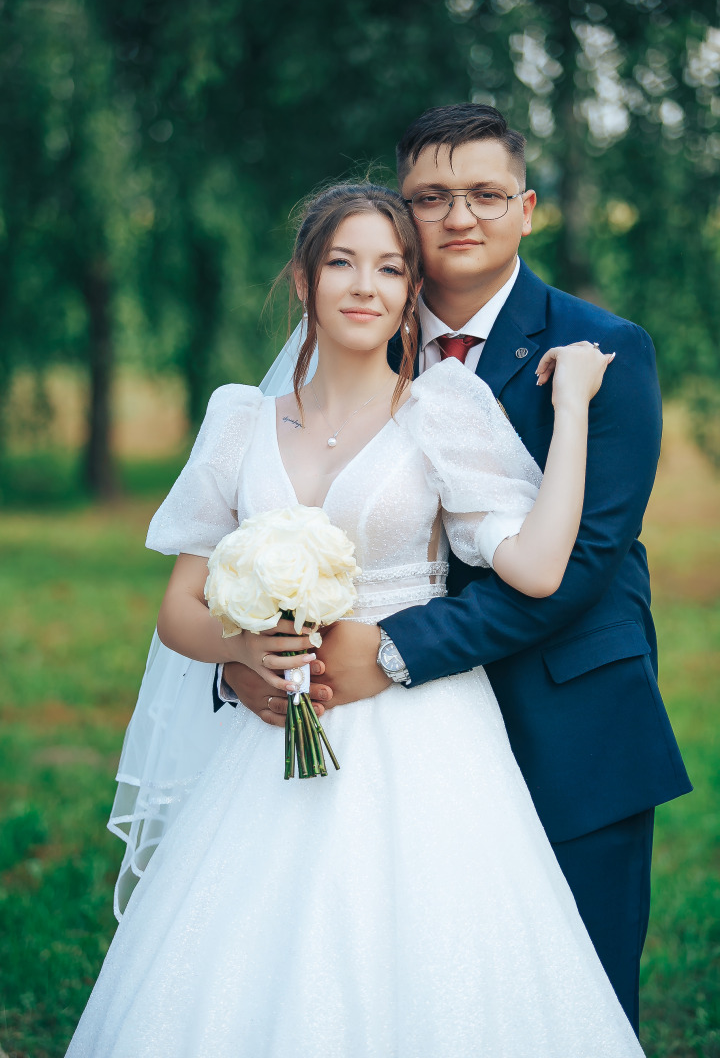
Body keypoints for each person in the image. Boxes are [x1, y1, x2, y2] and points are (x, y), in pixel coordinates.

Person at [66, 181, 644, 1057]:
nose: (365, 286)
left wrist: (569, 415)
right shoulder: (238, 422)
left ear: (412, 290)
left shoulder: (442, 409)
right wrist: (244, 645)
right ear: (304, 280)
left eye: (390, 267)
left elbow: (535, 565)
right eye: (342, 262)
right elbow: (179, 611)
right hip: (275, 742)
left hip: (424, 735)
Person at [222, 105, 692, 1034]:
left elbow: (588, 563)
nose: (459, 217)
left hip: (568, 724)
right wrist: (248, 657)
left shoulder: (602, 349)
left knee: (569, 1007)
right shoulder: (357, 340)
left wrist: (390, 653)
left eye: (484, 194)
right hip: (389, 751)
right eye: (431, 197)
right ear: (401, 215)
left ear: (525, 209)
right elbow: (271, 516)